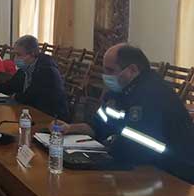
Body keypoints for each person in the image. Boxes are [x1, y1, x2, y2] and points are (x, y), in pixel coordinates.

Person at [51, 44, 194, 172]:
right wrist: (70, 128)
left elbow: (142, 147)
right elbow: (98, 125)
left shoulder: (153, 95)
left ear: (132, 70)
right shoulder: (119, 91)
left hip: (170, 171)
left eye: (110, 70)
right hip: (141, 165)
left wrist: (107, 152)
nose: (105, 76)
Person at [0, 35, 70, 121]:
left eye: (19, 55)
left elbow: (31, 96)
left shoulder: (47, 70)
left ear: (32, 54)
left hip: (51, 118)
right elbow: (9, 86)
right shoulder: (25, 68)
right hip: (30, 112)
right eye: (15, 54)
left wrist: (15, 97)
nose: (15, 58)